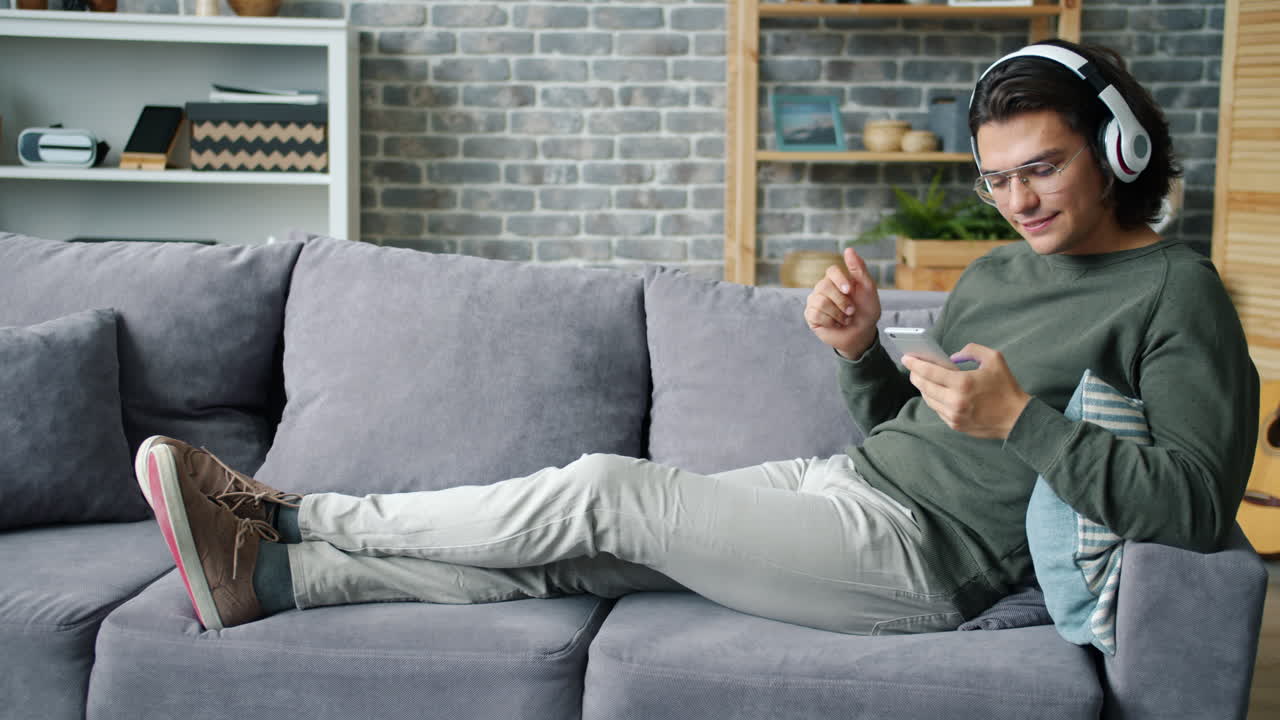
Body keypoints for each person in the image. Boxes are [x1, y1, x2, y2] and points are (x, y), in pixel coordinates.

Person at [138, 38, 1258, 634]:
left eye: (1043, 168)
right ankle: (277, 587)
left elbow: (1203, 509)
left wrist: (1023, 422)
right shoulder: (998, 268)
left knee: (605, 492)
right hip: (848, 485)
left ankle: (288, 511)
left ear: (1115, 149)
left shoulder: (1174, 294)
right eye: (997, 178)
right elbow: (905, 428)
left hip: (924, 564)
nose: (1017, 200)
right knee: (580, 554)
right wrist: (860, 354)